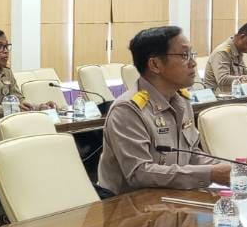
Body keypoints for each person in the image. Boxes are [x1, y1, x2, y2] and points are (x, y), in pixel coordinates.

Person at [97, 26, 238, 196]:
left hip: (172, 195)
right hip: (129, 203)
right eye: (184, 55)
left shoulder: (181, 100)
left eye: (191, 54)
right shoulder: (127, 110)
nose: (193, 63)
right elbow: (139, 173)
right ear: (155, 64)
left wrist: (235, 168)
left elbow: (192, 155)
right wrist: (210, 174)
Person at [204, 22, 247, 91]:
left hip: (234, 93)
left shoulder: (238, 51)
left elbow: (245, 74)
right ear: (242, 37)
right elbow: (223, 80)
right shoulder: (222, 52)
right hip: (218, 95)